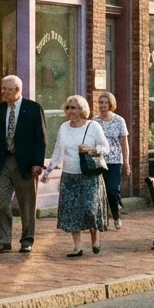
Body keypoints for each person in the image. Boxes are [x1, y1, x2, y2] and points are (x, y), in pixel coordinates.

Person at [41, 95, 109, 257]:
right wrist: (48, 171)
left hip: (89, 175)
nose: (70, 111)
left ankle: (95, 237)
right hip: (69, 175)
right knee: (72, 211)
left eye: (74, 108)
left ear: (82, 110)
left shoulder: (93, 126)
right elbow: (58, 150)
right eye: (68, 108)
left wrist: (92, 150)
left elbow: (105, 148)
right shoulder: (64, 127)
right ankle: (77, 247)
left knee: (90, 209)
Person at [0, 75, 47, 254]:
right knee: (3, 203)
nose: (3, 92)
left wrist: (38, 163)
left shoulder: (33, 108)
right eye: (2, 89)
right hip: (5, 162)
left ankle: (27, 240)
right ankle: (4, 241)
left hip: (26, 163)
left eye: (7, 89)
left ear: (17, 90)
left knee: (26, 203)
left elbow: (40, 138)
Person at [95, 92, 129, 229]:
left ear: (110, 104)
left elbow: (124, 143)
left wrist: (126, 162)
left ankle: (116, 216)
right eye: (100, 102)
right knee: (99, 192)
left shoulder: (119, 121)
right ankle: (102, 220)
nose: (102, 105)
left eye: (105, 103)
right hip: (99, 160)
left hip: (115, 160)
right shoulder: (95, 121)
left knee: (111, 189)